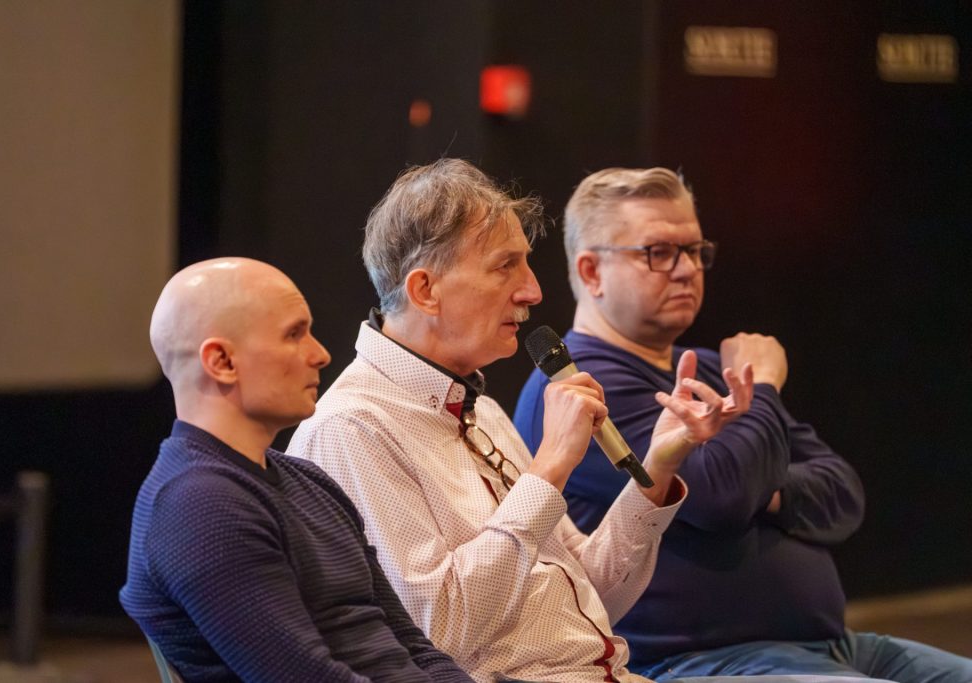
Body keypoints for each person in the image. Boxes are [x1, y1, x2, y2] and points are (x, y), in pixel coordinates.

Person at [287, 158, 777, 683]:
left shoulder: (481, 410)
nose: (533, 291)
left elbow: (593, 595)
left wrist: (658, 464)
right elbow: (438, 634)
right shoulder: (352, 428)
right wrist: (549, 469)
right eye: (505, 266)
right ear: (426, 290)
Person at [513, 167, 972, 682]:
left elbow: (843, 493)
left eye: (694, 251)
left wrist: (763, 488)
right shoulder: (578, 389)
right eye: (658, 252)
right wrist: (767, 388)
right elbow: (723, 498)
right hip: (698, 663)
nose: (687, 269)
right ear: (592, 272)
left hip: (833, 646)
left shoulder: (712, 367)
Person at [120, 257, 472, 682]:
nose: (320, 355)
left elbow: (414, 647)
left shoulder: (309, 482)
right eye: (293, 335)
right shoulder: (199, 507)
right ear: (222, 361)